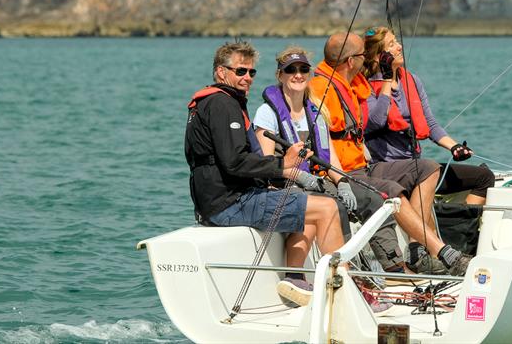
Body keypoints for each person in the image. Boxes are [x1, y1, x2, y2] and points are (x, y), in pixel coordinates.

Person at [185, 41, 386, 313]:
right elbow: (234, 163)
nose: (247, 79)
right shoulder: (223, 105)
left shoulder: (217, 102)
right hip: (229, 203)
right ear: (221, 73)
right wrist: (284, 164)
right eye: (240, 72)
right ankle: (345, 293)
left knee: (312, 203)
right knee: (327, 208)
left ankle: (300, 280)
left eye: (252, 73)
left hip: (222, 200)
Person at [309, 33, 472, 276]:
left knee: (427, 168)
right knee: (391, 191)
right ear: (351, 61)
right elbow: (372, 122)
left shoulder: (352, 83)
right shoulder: (322, 89)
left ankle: (418, 249)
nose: (367, 60)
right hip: (345, 172)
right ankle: (445, 253)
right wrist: (340, 179)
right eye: (363, 56)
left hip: (362, 165)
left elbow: (427, 121)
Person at [253, 46, 404, 278]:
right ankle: (341, 274)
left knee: (372, 199)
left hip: (321, 179)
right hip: (286, 183)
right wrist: (301, 177)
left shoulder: (315, 110)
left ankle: (393, 268)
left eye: (303, 69)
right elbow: (267, 165)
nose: (298, 74)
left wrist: (342, 181)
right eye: (290, 70)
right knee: (333, 207)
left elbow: (330, 157)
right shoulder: (267, 113)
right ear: (280, 75)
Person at [361, 26, 495, 207]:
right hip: (387, 169)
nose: (400, 47)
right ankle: (423, 233)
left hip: (417, 167)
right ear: (379, 57)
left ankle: (459, 227)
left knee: (484, 178)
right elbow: (376, 122)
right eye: (392, 44)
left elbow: (429, 123)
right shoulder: (366, 88)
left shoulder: (412, 81)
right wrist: (385, 79)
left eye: (397, 41)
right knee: (427, 169)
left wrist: (453, 146)